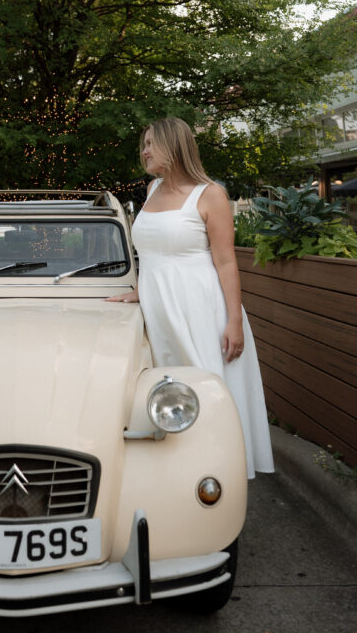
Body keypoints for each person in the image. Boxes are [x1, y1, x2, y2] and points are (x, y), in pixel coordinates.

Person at [107, 117, 274, 478]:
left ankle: (217, 474)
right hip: (161, 310)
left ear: (174, 144)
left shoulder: (210, 193)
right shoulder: (152, 189)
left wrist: (233, 322)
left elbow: (227, 262)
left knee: (207, 388)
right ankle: (176, 474)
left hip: (201, 309)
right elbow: (153, 254)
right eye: (143, 145)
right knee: (171, 394)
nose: (144, 151)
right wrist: (141, 292)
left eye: (151, 143)